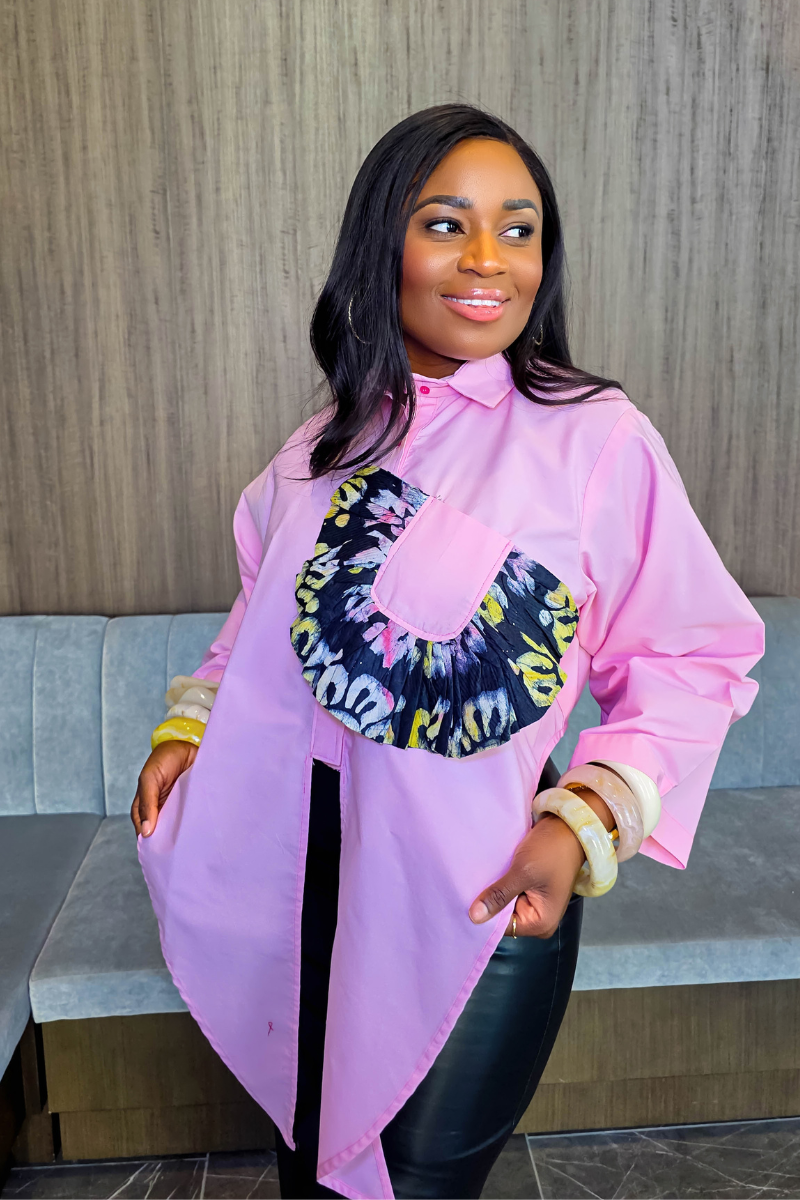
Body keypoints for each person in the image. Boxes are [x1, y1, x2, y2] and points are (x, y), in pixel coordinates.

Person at [131, 105, 765, 1199]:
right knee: (305, 1169)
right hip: (291, 872)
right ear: (382, 244)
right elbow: (257, 623)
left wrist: (584, 821)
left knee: (416, 1186)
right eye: (446, 223)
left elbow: (688, 655)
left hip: (475, 894)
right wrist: (191, 728)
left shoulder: (590, 438)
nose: (487, 262)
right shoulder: (322, 443)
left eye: (517, 231)